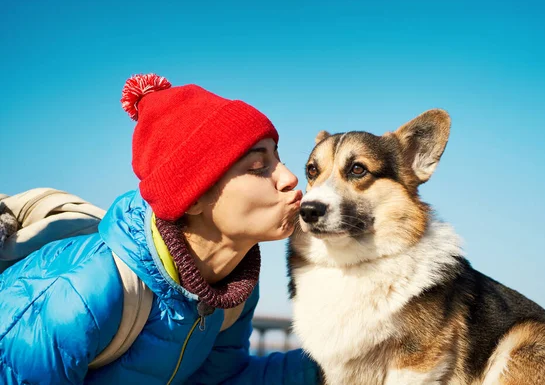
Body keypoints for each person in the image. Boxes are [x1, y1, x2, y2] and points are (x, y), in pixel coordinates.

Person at [0, 73, 320, 384]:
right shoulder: (85, 293)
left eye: (279, 159)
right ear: (193, 198)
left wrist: (342, 365)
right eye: (257, 166)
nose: (290, 177)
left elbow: (220, 379)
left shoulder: (231, 293)